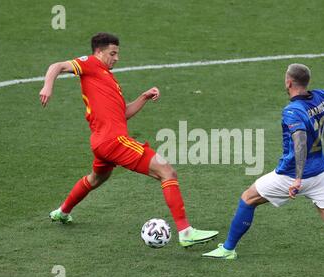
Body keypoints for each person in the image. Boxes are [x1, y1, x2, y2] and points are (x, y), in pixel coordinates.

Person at [203, 63, 324, 277]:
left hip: (291, 175)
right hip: (320, 174)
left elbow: (300, 143)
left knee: (248, 198)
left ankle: (228, 249)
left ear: (289, 82)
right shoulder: (321, 96)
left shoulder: (293, 111)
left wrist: (298, 179)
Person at [39, 32, 218, 247]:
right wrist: (48, 86)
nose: (117, 58)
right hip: (114, 141)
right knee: (167, 171)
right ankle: (186, 232)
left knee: (96, 179)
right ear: (99, 52)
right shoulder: (91, 64)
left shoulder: (107, 78)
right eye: (112, 53)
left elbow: (122, 114)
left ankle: (62, 212)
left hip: (100, 142)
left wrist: (143, 97)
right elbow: (56, 66)